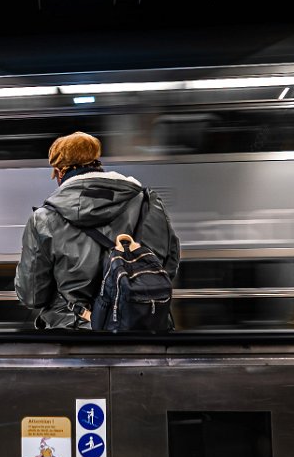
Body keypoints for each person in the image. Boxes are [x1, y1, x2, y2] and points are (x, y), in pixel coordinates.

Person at [15, 131, 179, 329]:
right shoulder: (149, 203)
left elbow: (32, 296)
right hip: (142, 329)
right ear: (96, 162)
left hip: (75, 334)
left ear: (59, 172)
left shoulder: (44, 219)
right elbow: (168, 266)